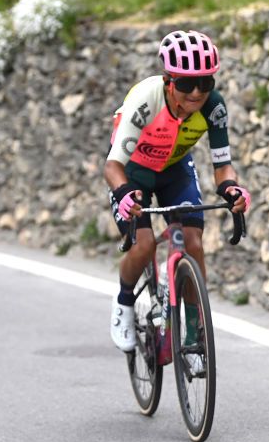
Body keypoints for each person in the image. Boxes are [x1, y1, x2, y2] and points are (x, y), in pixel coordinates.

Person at [105, 29, 250, 356]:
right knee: (142, 245)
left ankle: (194, 335)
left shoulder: (213, 107)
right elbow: (112, 166)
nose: (197, 92)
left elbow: (223, 165)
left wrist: (232, 188)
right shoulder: (146, 101)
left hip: (173, 169)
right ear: (169, 81)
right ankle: (124, 301)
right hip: (132, 171)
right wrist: (125, 193)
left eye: (206, 82)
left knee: (193, 240)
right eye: (186, 83)